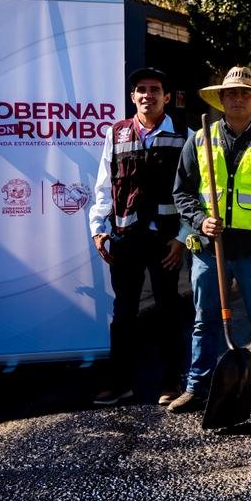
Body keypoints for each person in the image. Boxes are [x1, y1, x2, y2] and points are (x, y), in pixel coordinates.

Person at [168, 67, 251, 414]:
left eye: (245, 93)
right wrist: (199, 220)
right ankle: (197, 387)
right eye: (231, 93)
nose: (238, 98)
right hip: (211, 249)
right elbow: (182, 192)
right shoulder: (200, 140)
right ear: (221, 99)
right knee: (203, 320)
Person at [88, 67, 189, 406]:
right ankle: (119, 382)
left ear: (167, 96)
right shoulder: (115, 134)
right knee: (124, 313)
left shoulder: (184, 135)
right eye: (141, 90)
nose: (148, 95)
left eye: (155, 89)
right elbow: (104, 185)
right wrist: (99, 231)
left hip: (166, 241)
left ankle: (171, 381)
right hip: (126, 238)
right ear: (133, 97)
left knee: (168, 312)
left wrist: (182, 238)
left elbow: (196, 191)